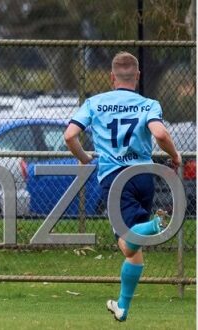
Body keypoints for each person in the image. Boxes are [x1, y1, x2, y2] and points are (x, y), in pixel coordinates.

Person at [64, 51, 181, 322]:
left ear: (111, 77)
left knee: (127, 245)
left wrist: (84, 158)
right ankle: (122, 307)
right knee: (135, 251)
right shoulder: (149, 104)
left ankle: (153, 225)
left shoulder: (95, 103)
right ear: (137, 77)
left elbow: (70, 135)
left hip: (115, 178)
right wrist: (174, 156)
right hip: (143, 176)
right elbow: (160, 133)